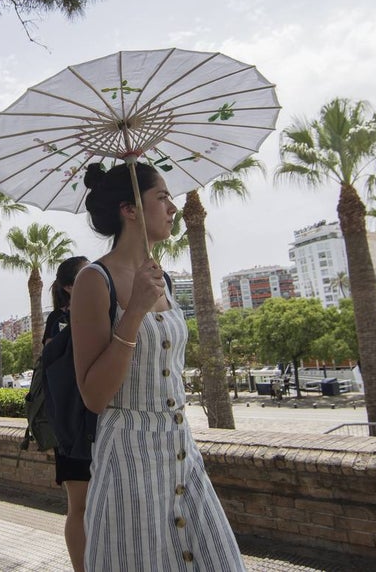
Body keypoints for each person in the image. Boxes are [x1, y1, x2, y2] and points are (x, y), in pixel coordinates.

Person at [71, 162, 245, 570]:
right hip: (128, 455)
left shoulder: (161, 279)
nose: (173, 207)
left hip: (182, 449)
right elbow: (94, 395)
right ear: (129, 209)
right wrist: (133, 313)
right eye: (162, 197)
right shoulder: (94, 281)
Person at [44, 255, 91, 572]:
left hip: (98, 422)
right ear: (69, 287)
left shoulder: (99, 313)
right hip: (73, 426)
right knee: (79, 506)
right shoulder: (58, 321)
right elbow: (55, 372)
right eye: (86, 276)